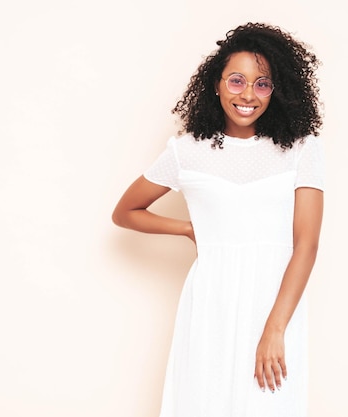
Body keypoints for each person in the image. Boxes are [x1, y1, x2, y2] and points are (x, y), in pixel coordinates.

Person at [112, 22, 324, 417]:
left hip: (276, 304)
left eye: (262, 84)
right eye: (237, 81)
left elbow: (307, 244)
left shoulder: (301, 149)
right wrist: (189, 229)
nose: (248, 94)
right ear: (216, 83)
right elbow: (125, 212)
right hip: (210, 303)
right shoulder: (186, 151)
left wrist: (275, 328)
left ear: (278, 90)